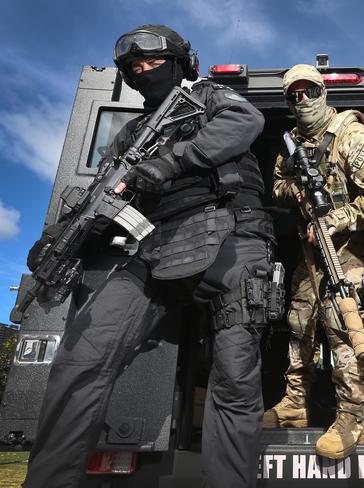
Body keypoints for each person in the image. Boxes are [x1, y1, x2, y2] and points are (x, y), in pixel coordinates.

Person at [23, 24, 278, 488]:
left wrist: (172, 160)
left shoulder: (209, 97)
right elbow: (102, 193)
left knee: (235, 381)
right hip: (153, 250)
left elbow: (246, 123)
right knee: (80, 360)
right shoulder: (130, 136)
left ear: (181, 63)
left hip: (231, 237)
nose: (144, 72)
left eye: (153, 63)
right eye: (134, 68)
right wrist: (68, 231)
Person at [263, 64, 364, 459]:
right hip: (309, 251)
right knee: (299, 322)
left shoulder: (352, 137)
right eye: (294, 95)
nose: (302, 100)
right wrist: (297, 190)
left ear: (323, 92)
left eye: (309, 91)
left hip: (347, 249)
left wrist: (336, 217)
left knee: (344, 328)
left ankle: (352, 420)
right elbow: (278, 188)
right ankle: (294, 406)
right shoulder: (291, 144)